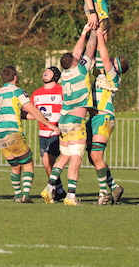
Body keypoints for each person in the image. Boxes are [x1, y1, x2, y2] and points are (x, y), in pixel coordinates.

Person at [41, 22, 99, 205]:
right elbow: (88, 48)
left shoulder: (65, 75)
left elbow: (75, 53)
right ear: (75, 61)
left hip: (63, 120)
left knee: (64, 156)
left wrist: (83, 31)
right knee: (75, 158)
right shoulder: (80, 70)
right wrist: (94, 32)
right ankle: (71, 196)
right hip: (76, 120)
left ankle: (49, 187)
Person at [0, 66, 60, 203]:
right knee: (28, 165)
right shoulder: (17, 92)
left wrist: (34, 117)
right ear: (15, 77)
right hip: (12, 132)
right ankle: (25, 195)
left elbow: (19, 112)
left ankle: (17, 196)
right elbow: (34, 110)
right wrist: (49, 124)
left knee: (15, 165)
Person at [89, 28, 129, 205]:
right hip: (93, 118)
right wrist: (99, 37)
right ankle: (114, 187)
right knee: (92, 157)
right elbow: (99, 56)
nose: (111, 61)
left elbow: (104, 57)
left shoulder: (114, 77)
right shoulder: (103, 74)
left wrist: (99, 36)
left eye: (115, 61)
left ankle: (103, 193)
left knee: (96, 156)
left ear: (117, 67)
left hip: (104, 117)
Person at [27, 66, 67, 201]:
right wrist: (37, 116)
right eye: (45, 70)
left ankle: (53, 188)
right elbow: (28, 112)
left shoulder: (62, 90)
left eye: (49, 71)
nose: (45, 72)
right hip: (42, 133)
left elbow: (69, 108)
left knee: (46, 160)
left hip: (56, 132)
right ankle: (59, 189)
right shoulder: (37, 93)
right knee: (48, 163)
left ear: (55, 75)